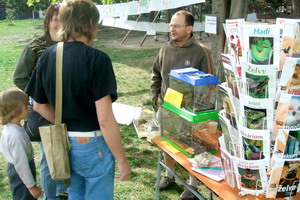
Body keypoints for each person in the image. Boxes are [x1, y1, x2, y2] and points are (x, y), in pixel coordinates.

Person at [25, 0, 131, 199]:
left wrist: (65, 121)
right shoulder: (98, 59)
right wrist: (122, 160)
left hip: (64, 143)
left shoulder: (48, 55)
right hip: (93, 144)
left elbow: (38, 105)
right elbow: (105, 119)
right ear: (90, 23)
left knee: (75, 195)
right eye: (96, 23)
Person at [150, 10, 214, 200]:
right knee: (168, 146)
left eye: (176, 26)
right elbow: (155, 74)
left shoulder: (201, 51)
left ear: (189, 28)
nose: (172, 29)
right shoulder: (165, 48)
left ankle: (192, 186)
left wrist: (196, 108)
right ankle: (169, 176)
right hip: (166, 108)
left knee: (191, 148)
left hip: (189, 113)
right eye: (171, 25)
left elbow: (210, 84)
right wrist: (156, 97)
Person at [12, 4, 68, 200]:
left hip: (67, 105)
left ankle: (62, 187)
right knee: (49, 154)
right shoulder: (35, 45)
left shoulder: (71, 44)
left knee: (64, 148)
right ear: (47, 22)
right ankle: (50, 197)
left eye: (63, 19)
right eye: (55, 19)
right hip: (43, 106)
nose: (59, 24)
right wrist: (40, 94)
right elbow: (19, 77)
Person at [0, 89, 43, 200]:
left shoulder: (11, 127)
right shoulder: (15, 134)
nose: (29, 108)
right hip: (20, 170)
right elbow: (21, 162)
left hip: (19, 168)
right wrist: (31, 186)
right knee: (24, 197)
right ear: (15, 112)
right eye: (25, 107)